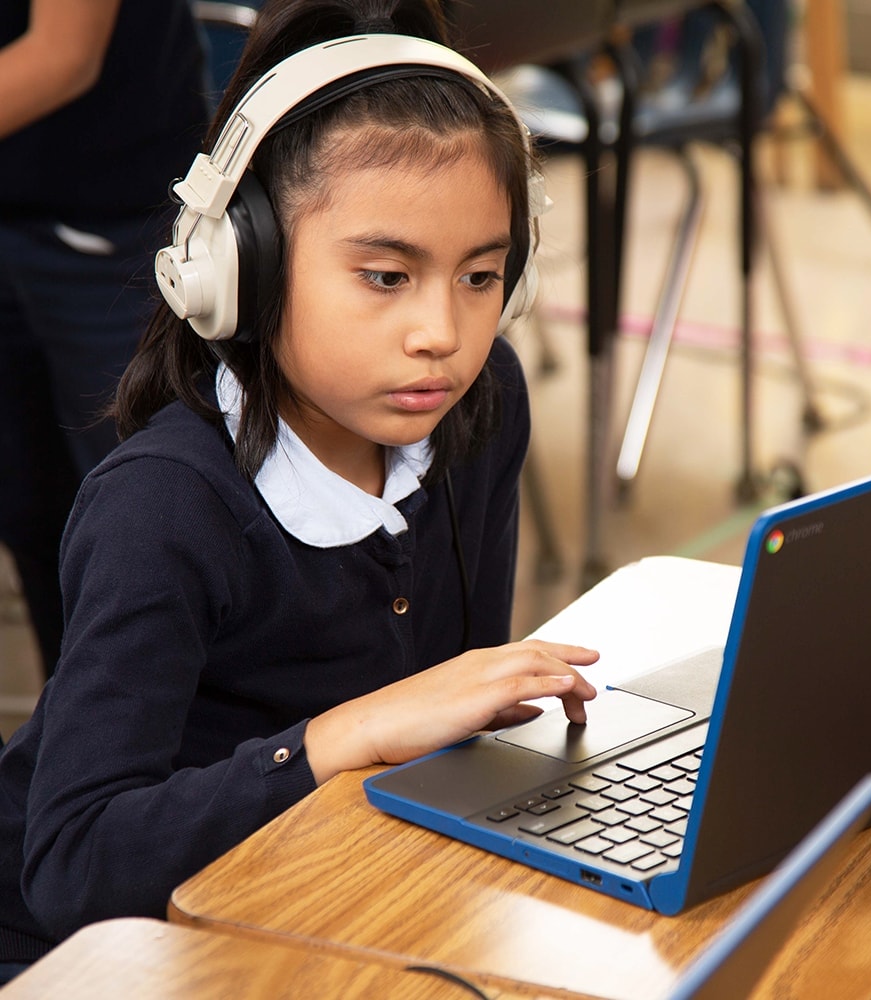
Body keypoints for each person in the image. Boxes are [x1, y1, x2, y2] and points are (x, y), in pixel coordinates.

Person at [0, 0, 599, 978]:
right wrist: (339, 737)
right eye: (384, 276)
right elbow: (73, 864)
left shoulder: (480, 408)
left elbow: (447, 719)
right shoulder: (163, 507)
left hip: (306, 900)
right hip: (89, 955)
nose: (440, 332)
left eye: (482, 275)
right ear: (244, 268)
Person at [0, 0, 209, 680]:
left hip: (107, 218)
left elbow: (62, 57)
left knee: (147, 533)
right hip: (19, 212)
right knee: (35, 514)